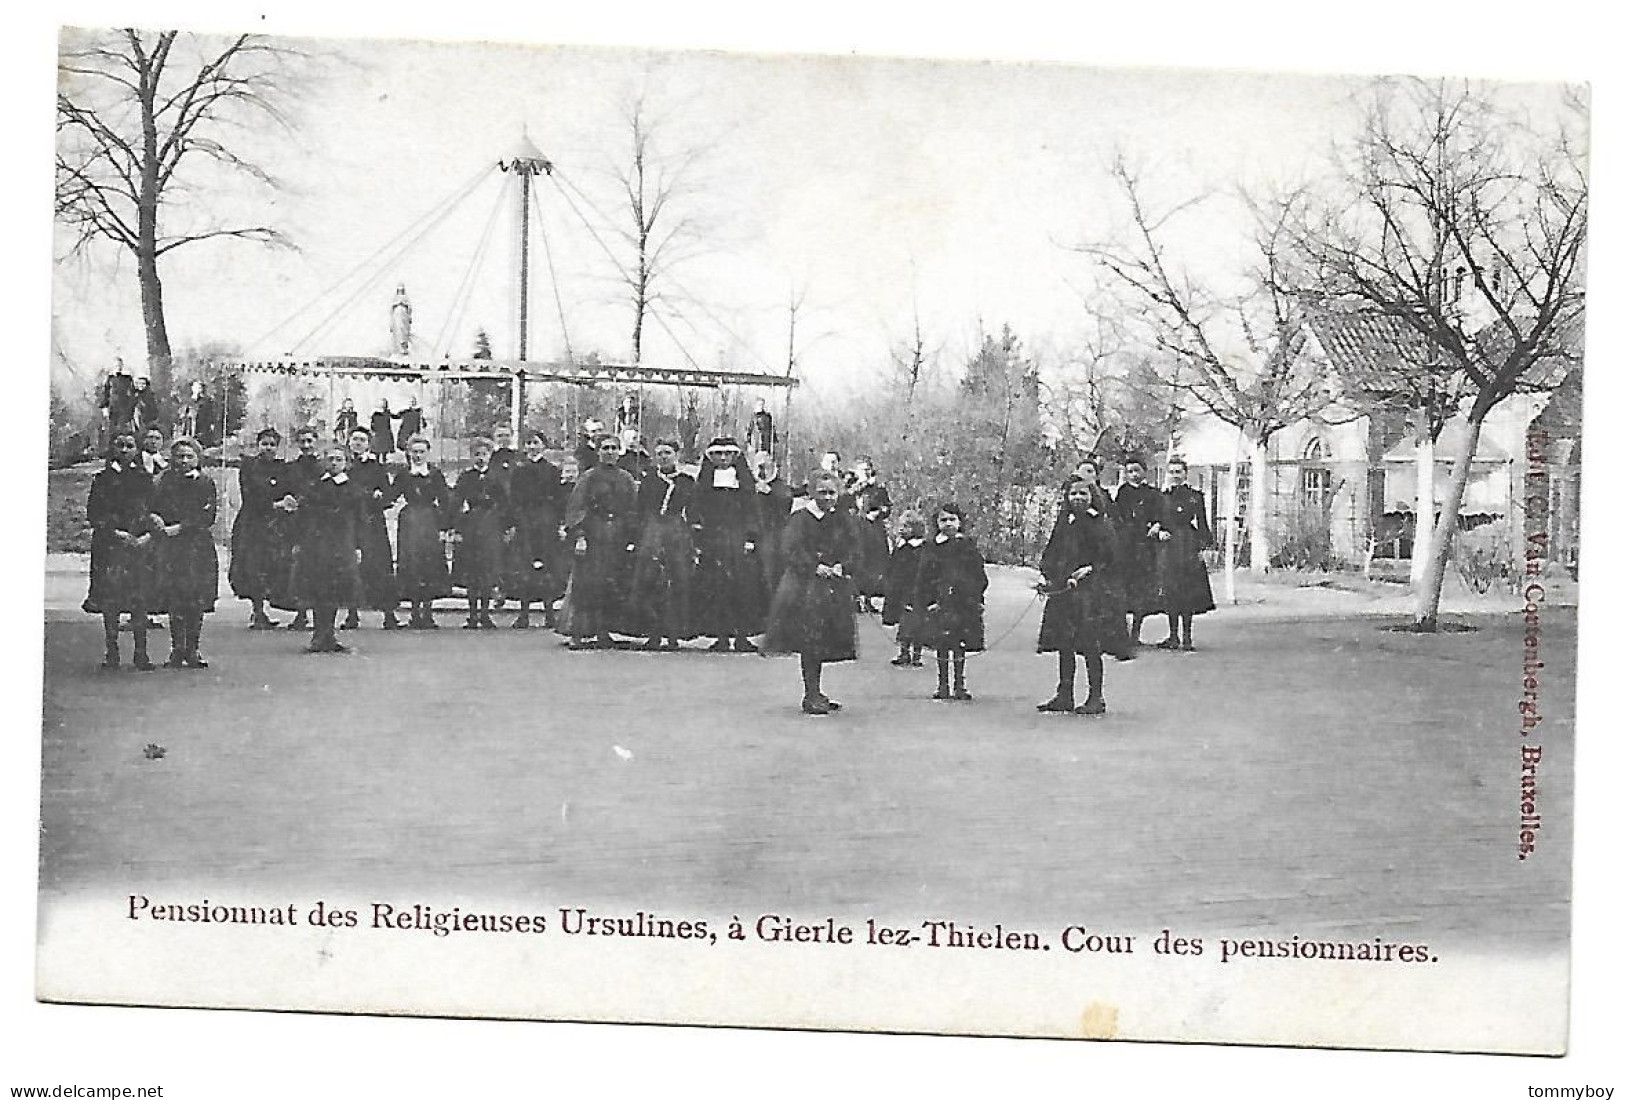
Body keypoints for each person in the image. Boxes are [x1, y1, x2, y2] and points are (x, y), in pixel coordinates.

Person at [763, 471, 859, 715]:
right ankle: (811, 693)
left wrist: (842, 565)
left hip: (833, 587)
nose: (827, 498)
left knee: (825, 639)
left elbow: (854, 547)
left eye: (832, 493)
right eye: (822, 493)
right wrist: (814, 567)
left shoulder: (842, 519)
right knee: (810, 641)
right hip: (804, 588)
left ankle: (817, 691)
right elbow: (790, 549)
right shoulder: (800, 518)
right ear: (812, 493)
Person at [1035, 478, 1118, 716]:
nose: (1078, 498)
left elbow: (1111, 558)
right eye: (1073, 494)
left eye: (1083, 493)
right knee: (1065, 643)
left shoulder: (1101, 523)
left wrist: (1090, 569)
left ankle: (1095, 697)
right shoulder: (1064, 523)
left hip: (1091, 593)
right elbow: (1051, 553)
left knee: (1090, 644)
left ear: (1092, 496)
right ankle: (1065, 694)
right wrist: (1047, 576)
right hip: (1064, 590)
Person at [82, 431, 157, 670]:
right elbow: (94, 513)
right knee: (111, 599)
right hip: (110, 545)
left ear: (137, 449)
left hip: (138, 545)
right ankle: (112, 651)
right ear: (113, 448)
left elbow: (153, 510)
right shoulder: (102, 479)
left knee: (139, 598)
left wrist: (146, 535)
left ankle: (141, 653)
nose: (124, 450)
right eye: (120, 445)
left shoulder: (144, 479)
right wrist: (116, 533)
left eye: (129, 446)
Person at [560, 434, 637, 649]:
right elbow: (577, 508)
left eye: (614, 448)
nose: (610, 452)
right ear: (598, 451)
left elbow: (633, 509)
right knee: (586, 584)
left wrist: (631, 537)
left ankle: (604, 631)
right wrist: (580, 537)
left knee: (611, 583)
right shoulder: (588, 477)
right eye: (605, 448)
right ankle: (578, 632)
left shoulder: (626, 479)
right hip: (594, 534)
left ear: (620, 451)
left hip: (618, 536)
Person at [691, 437, 768, 652]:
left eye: (727, 454)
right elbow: (696, 511)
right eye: (718, 454)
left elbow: (753, 511)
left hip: (738, 540)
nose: (723, 458)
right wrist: (699, 537)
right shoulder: (704, 482)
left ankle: (742, 636)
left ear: (735, 456)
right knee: (717, 588)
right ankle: (721, 636)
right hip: (713, 540)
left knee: (743, 588)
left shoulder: (745, 482)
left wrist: (751, 538)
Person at [149, 438, 219, 669]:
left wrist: (181, 527)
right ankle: (177, 649)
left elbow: (207, 516)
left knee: (195, 599)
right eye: (180, 456)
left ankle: (193, 649)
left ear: (198, 458)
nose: (185, 461)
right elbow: (151, 506)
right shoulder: (162, 482)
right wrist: (156, 519)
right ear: (172, 458)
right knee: (176, 597)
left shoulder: (205, 483)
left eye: (190, 456)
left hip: (196, 546)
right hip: (171, 547)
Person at [289, 445, 365, 653]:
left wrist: (358, 546)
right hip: (317, 545)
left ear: (346, 463)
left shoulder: (353, 489)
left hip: (342, 544)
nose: (333, 463)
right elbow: (303, 516)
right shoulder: (315, 487)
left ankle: (329, 634)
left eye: (339, 459)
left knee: (335, 589)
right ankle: (318, 635)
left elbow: (360, 520)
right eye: (330, 459)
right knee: (318, 588)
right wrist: (299, 541)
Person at [624, 438, 698, 649]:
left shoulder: (687, 481)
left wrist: (693, 538)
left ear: (677, 455)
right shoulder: (649, 481)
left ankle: (673, 634)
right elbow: (639, 510)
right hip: (652, 532)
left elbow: (693, 512)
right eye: (659, 454)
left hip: (676, 533)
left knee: (676, 581)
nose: (663, 457)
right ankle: (653, 633)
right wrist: (636, 538)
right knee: (649, 580)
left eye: (667, 452)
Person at [915, 503, 988, 701]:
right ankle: (942, 684)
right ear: (937, 523)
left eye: (952, 519)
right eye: (943, 520)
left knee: (959, 644)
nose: (948, 524)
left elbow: (979, 575)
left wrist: (977, 598)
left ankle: (959, 684)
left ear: (960, 522)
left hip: (963, 602)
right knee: (942, 643)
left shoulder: (967, 545)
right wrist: (928, 600)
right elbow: (923, 576)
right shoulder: (931, 547)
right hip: (939, 602)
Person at [227, 428, 292, 629]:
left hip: (275, 524)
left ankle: (266, 608)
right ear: (258, 445)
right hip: (253, 522)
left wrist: (286, 501)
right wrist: (274, 504)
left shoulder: (282, 468)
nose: (268, 448)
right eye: (265, 444)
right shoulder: (249, 466)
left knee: (272, 565)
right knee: (253, 565)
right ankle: (257, 610)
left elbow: (288, 489)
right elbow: (251, 492)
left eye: (272, 445)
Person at [1070, 457, 1133, 661]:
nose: (1084, 476)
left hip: (1099, 566)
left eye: (1089, 472)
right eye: (1081, 472)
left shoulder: (1103, 499)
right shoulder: (1069, 509)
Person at [1156, 458, 1216, 650]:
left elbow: (1202, 523)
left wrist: (1204, 547)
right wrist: (1159, 531)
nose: (1175, 475)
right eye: (1172, 472)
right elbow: (1154, 519)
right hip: (1169, 546)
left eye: (1178, 472)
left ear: (1185, 474)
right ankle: (1173, 636)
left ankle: (1187, 637)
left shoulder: (1195, 497)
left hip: (1188, 544)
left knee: (1187, 591)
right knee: (1171, 590)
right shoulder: (1162, 497)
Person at [393, 435, 452, 629]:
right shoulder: (403, 474)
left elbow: (445, 499)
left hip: (429, 520)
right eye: (414, 452)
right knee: (411, 563)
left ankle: (428, 612)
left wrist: (446, 525)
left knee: (429, 563)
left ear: (427, 453)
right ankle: (414, 612)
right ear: (408, 453)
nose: (418, 456)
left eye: (421, 452)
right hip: (410, 520)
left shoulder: (434, 474)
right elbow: (391, 495)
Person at [344, 427, 399, 630]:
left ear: (369, 444)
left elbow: (386, 493)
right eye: (355, 439)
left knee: (380, 565)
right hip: (350, 521)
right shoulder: (344, 464)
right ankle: (351, 614)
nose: (358, 443)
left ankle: (389, 614)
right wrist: (366, 493)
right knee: (352, 566)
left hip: (372, 522)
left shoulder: (375, 466)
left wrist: (376, 496)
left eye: (362, 440)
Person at [450, 438, 507, 629]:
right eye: (477, 454)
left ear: (490, 456)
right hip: (472, 525)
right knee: (473, 571)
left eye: (484, 454)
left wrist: (506, 526)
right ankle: (473, 614)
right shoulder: (466, 477)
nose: (480, 458)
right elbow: (456, 502)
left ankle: (485, 614)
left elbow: (507, 502)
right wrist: (456, 527)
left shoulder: (498, 477)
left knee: (488, 570)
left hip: (491, 525)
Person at [1113, 457, 1167, 647]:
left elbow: (1162, 514)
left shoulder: (1153, 494)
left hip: (1145, 547)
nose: (1134, 475)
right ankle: (1123, 634)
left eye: (1137, 470)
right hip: (1126, 546)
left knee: (1142, 591)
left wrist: (1157, 525)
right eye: (1130, 471)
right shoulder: (1122, 493)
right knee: (1123, 589)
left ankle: (1136, 631)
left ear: (1144, 471)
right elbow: (1116, 516)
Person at [278, 428, 323, 631]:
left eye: (309, 441)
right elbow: (284, 490)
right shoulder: (291, 468)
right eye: (302, 442)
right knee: (297, 565)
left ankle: (319, 615)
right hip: (296, 521)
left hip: (318, 521)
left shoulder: (322, 467)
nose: (306, 445)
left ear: (316, 442)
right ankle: (300, 612)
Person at [882, 510, 929, 667]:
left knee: (916, 624)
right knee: (903, 622)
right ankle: (903, 652)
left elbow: (923, 571)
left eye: (907, 526)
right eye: (901, 526)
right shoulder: (900, 547)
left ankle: (916, 654)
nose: (902, 529)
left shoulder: (921, 549)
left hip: (915, 590)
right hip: (899, 589)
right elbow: (892, 566)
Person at [848, 457, 892, 611]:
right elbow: (844, 504)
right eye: (862, 469)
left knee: (874, 562)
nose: (865, 472)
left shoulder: (879, 489)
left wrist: (878, 512)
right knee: (856, 561)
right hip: (856, 529)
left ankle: (868, 597)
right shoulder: (851, 488)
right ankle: (854, 597)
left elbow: (887, 507)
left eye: (867, 469)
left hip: (874, 530)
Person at [751, 453, 796, 588]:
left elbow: (787, 501)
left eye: (765, 467)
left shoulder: (779, 487)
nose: (762, 472)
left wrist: (770, 493)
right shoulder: (750, 485)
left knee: (771, 574)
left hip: (772, 537)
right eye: (759, 467)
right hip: (753, 536)